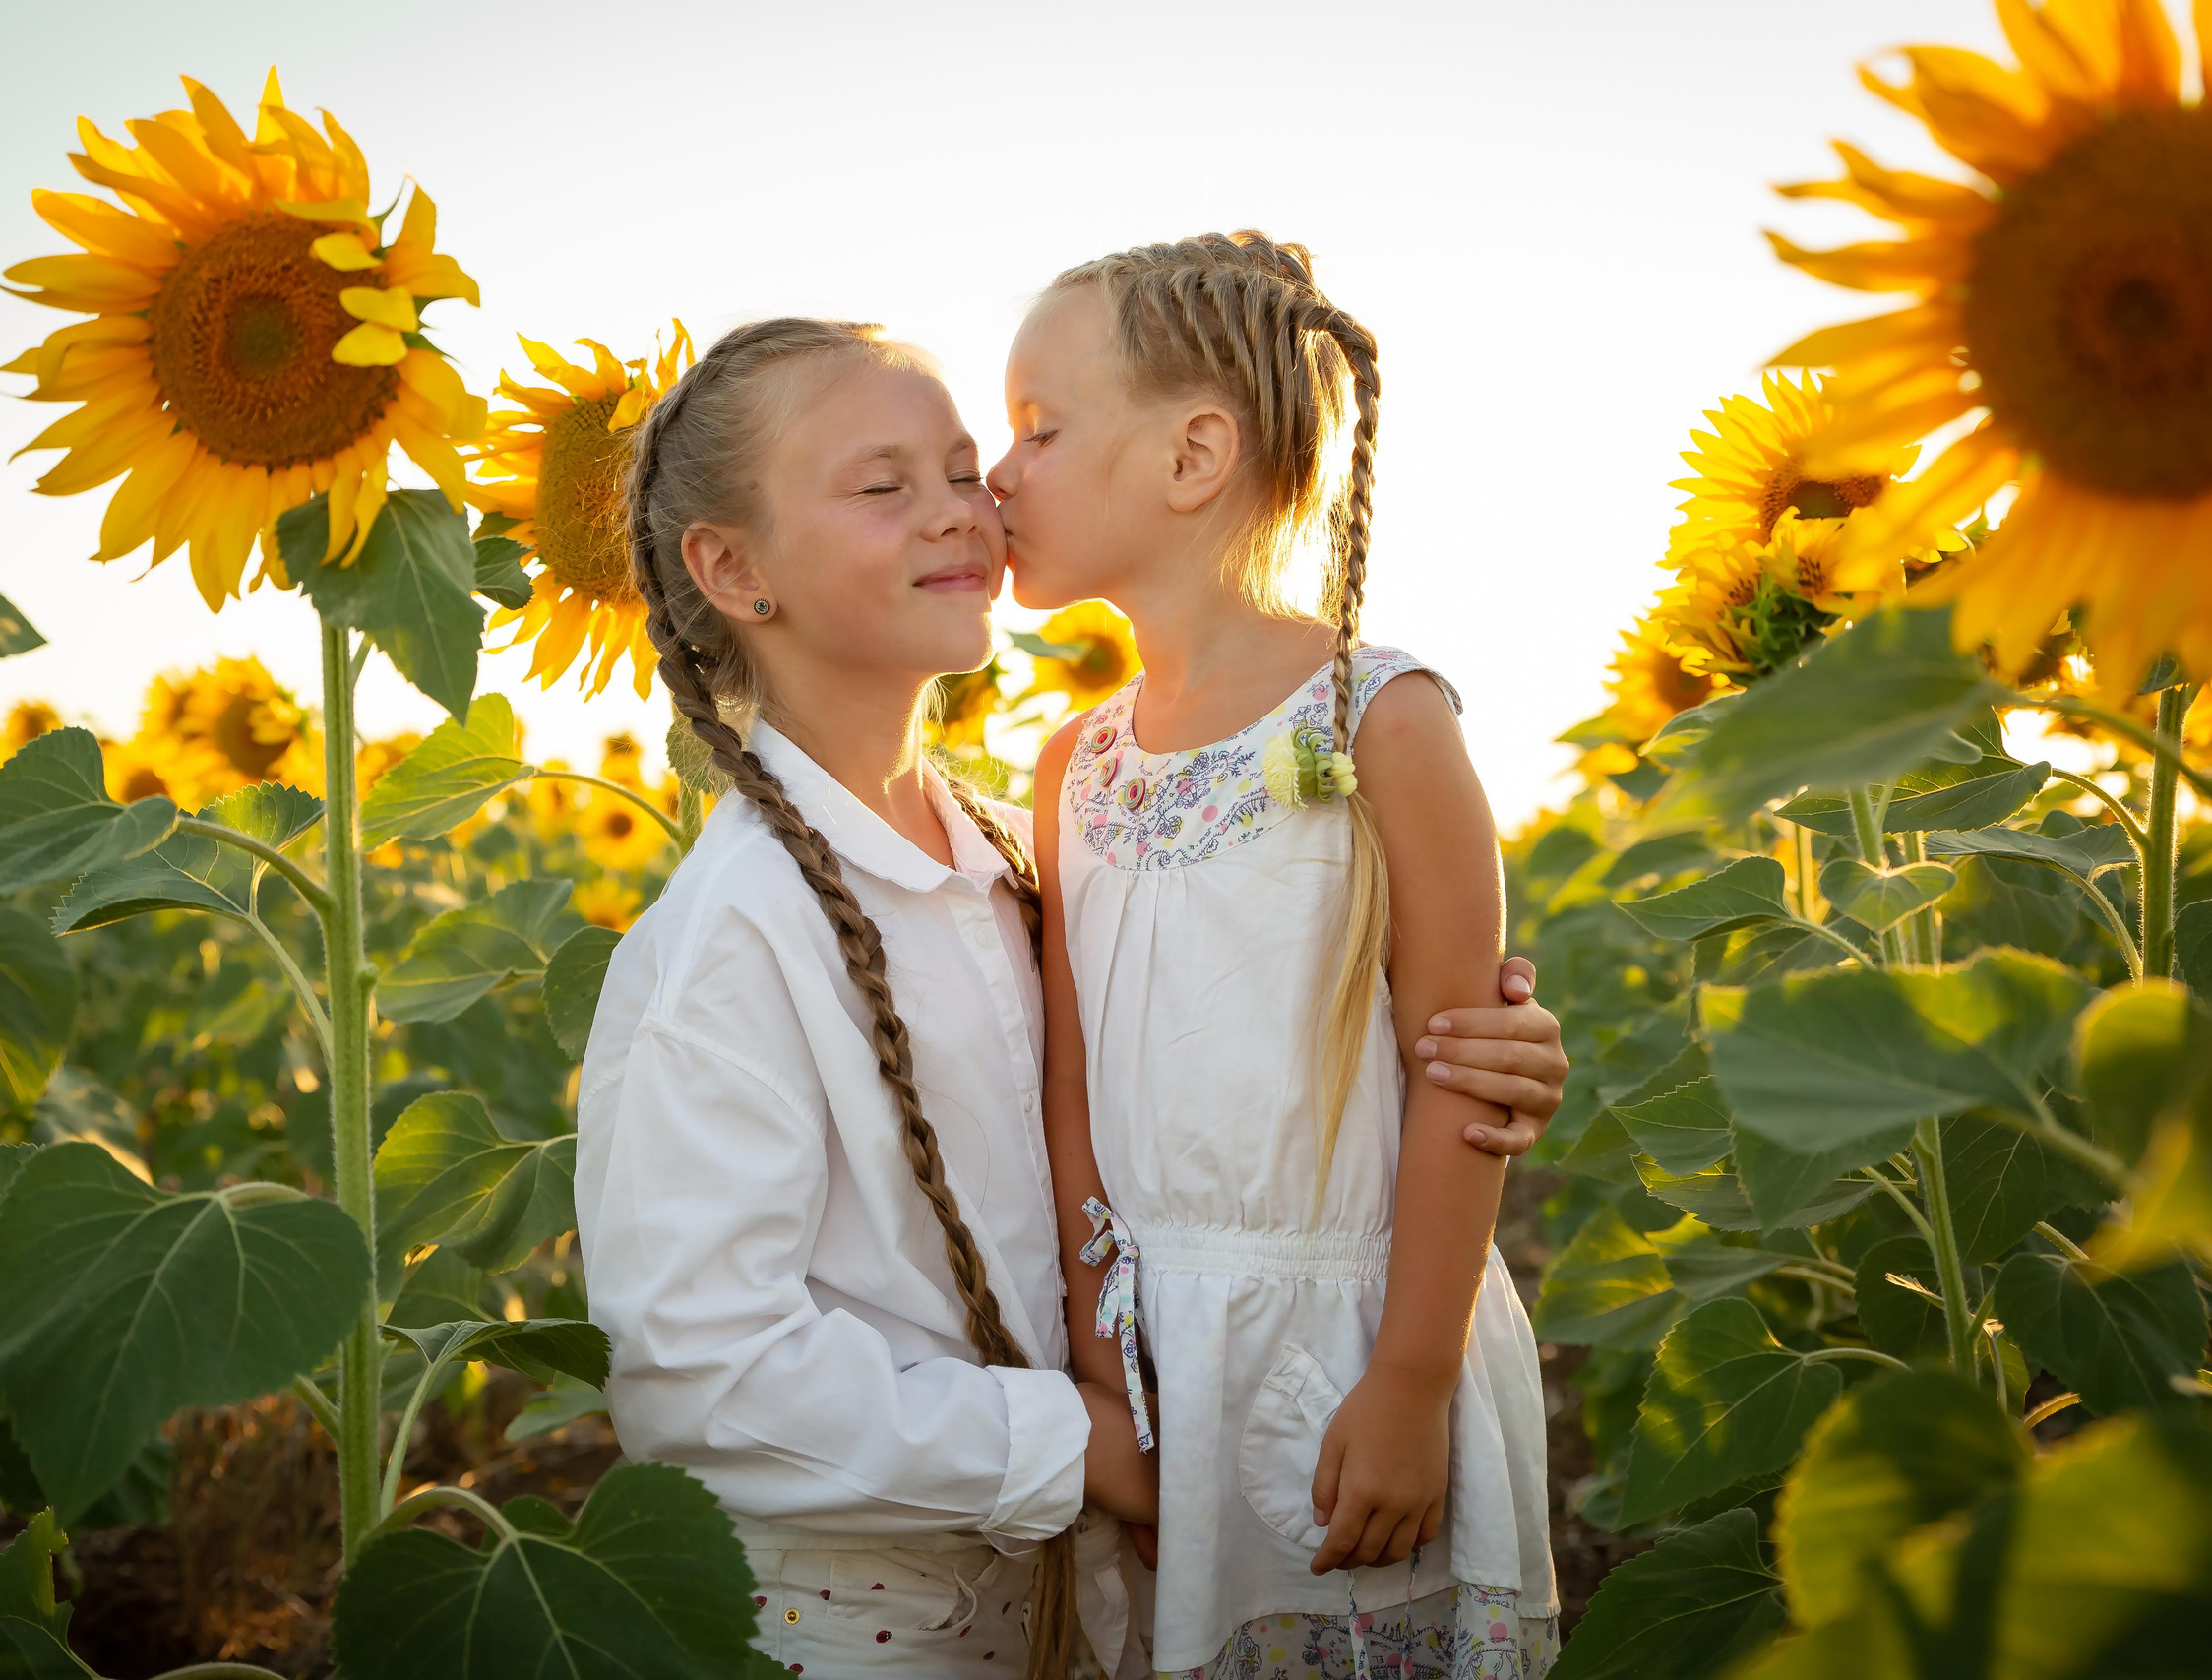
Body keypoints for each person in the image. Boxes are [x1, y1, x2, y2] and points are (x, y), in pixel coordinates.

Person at [575, 315, 1568, 1680]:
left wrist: (1471, 1044)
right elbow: (703, 1376)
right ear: (734, 568)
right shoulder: (728, 943)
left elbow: (1212, 1036)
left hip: (1080, 1594)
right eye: (885, 487)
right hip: (875, 1629)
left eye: (968, 464)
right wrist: (1081, 1444)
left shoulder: (1013, 853)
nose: (964, 508)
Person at [992, 234, 1560, 1678]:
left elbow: (1466, 1077)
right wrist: (1100, 1374)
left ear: (1194, 455)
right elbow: (1072, 1094)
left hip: (1369, 1330)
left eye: (1039, 430)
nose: (998, 474)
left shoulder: (1383, 721)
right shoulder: (1074, 764)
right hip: (1157, 1358)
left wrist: (1416, 1379)